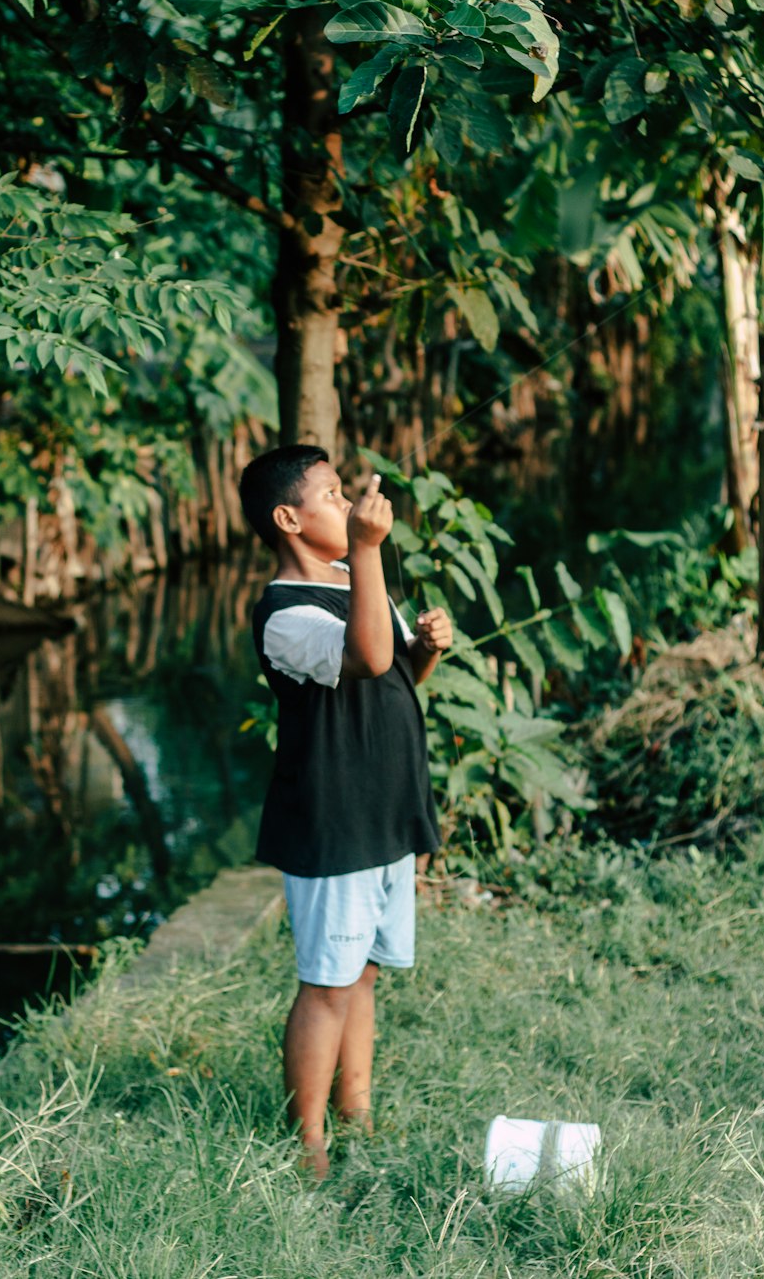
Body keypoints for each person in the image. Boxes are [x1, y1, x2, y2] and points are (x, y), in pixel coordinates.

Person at [238, 444, 452, 1177]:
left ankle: (356, 1109)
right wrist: (368, 551)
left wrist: (424, 649)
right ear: (288, 518)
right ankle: (308, 1143)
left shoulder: (348, 579)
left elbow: (391, 671)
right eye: (332, 495)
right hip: (332, 819)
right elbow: (362, 655)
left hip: (384, 809)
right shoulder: (283, 615)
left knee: (362, 972)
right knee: (327, 982)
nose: (347, 504)